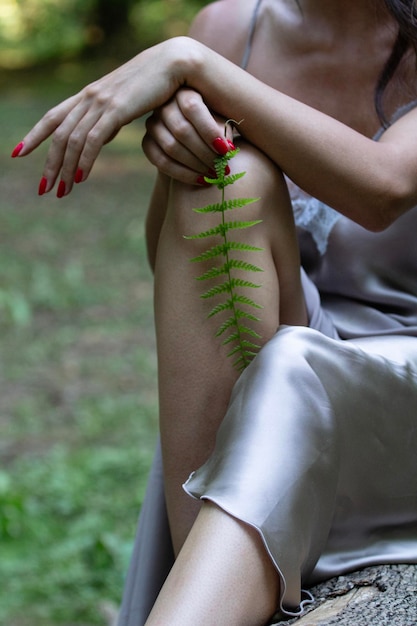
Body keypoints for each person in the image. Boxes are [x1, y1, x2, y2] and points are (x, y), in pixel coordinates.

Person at [11, 1, 417, 624]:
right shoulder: (233, 29)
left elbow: (385, 188)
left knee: (291, 366)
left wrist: (187, 64)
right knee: (232, 176)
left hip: (399, 384)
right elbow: (175, 266)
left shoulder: (200, 53)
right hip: (292, 351)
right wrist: (182, 159)